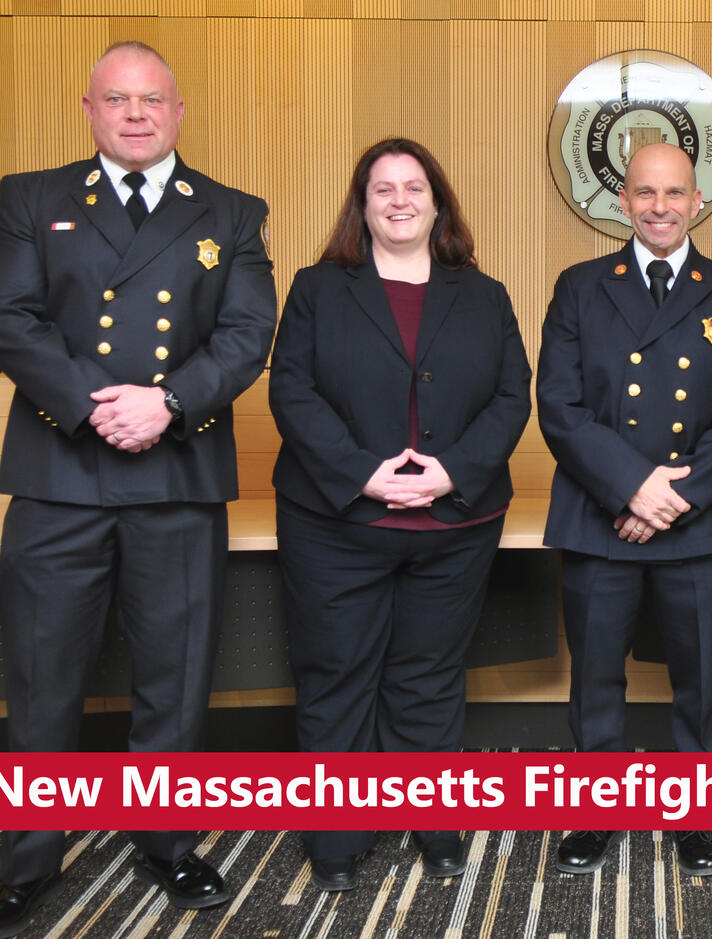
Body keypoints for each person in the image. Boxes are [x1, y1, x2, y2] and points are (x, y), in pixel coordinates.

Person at [0, 40, 276, 937]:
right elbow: (7, 318)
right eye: (118, 98)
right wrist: (94, 405)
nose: (136, 113)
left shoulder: (232, 210)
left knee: (173, 683)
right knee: (41, 679)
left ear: (179, 112)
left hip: (176, 474)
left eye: (152, 99)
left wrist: (167, 402)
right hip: (58, 471)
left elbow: (247, 332)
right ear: (89, 109)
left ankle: (167, 843)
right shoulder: (32, 197)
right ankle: (28, 862)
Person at [268, 137, 532, 891]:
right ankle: (338, 832)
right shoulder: (318, 288)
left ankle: (433, 819)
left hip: (455, 526)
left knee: (430, 676)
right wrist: (364, 475)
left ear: (438, 202)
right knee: (337, 674)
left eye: (413, 186)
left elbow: (514, 393)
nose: (399, 200)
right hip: (337, 521)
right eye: (382, 189)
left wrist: (450, 472)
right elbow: (291, 390)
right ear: (363, 205)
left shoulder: (484, 294)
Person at [536, 142, 712, 877]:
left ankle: (696, 816)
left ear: (697, 201)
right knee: (596, 674)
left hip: (692, 519)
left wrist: (671, 497)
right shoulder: (579, 286)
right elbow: (560, 405)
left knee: (700, 678)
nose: (659, 206)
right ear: (623, 201)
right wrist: (632, 487)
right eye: (645, 193)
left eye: (673, 193)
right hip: (602, 513)